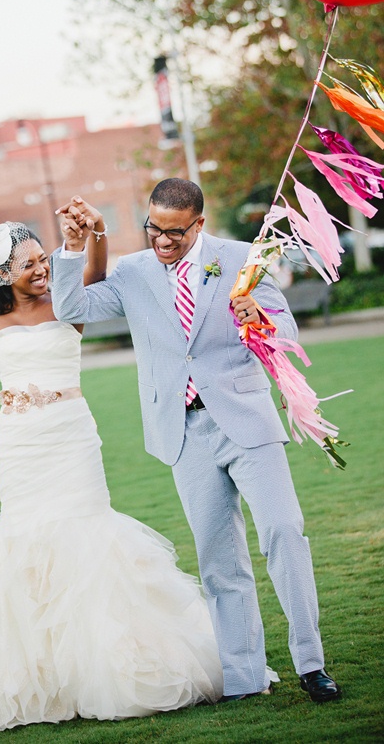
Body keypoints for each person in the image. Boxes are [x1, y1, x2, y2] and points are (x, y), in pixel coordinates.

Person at [0, 216, 223, 733]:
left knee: (87, 531)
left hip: (73, 439)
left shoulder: (67, 301)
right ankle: (42, 671)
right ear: (0, 273)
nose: (42, 269)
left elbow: (96, 272)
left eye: (44, 258)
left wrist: (97, 231)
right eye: (29, 264)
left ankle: (105, 665)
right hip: (18, 448)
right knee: (28, 542)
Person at [52, 178, 341, 704]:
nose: (162, 241)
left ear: (199, 224)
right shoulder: (133, 272)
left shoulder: (240, 260)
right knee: (217, 559)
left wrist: (263, 323)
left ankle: (311, 662)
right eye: (154, 229)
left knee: (284, 532)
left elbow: (288, 333)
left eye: (175, 233)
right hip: (183, 434)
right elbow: (70, 308)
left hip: (247, 421)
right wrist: (73, 247)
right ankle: (243, 676)